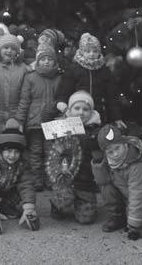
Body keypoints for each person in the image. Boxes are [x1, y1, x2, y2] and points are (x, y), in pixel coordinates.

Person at [46, 90, 101, 224]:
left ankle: (81, 203)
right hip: (65, 177)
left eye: (85, 109)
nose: (81, 112)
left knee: (86, 219)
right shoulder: (61, 125)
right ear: (70, 110)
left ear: (92, 112)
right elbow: (45, 118)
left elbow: (97, 145)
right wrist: (58, 107)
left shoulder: (97, 129)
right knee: (63, 204)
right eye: (76, 108)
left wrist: (81, 132)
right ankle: (57, 204)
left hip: (86, 180)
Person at [0, 119, 39, 235]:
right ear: (1, 150)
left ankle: (6, 207)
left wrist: (29, 207)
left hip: (9, 187)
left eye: (17, 152)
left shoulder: (23, 164)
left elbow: (26, 185)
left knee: (21, 188)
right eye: (8, 151)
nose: (12, 155)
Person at [15, 41, 61, 190]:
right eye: (43, 59)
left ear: (54, 61)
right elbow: (24, 100)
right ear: (38, 60)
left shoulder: (59, 78)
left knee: (50, 151)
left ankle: (50, 178)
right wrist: (20, 120)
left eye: (49, 59)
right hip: (35, 122)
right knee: (35, 151)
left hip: (53, 123)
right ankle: (37, 179)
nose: (46, 62)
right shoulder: (31, 77)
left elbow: (62, 99)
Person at [56, 33, 125, 128]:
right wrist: (63, 105)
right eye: (88, 51)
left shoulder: (104, 71)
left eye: (95, 51)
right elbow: (64, 90)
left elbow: (111, 96)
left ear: (99, 52)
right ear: (81, 52)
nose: (92, 54)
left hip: (97, 114)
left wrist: (116, 117)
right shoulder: (73, 69)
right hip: (76, 113)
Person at [0, 33, 28, 131]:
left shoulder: (22, 68)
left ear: (17, 52)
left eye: (13, 49)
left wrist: (19, 118)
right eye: (6, 47)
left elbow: (25, 95)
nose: (9, 51)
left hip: (15, 116)